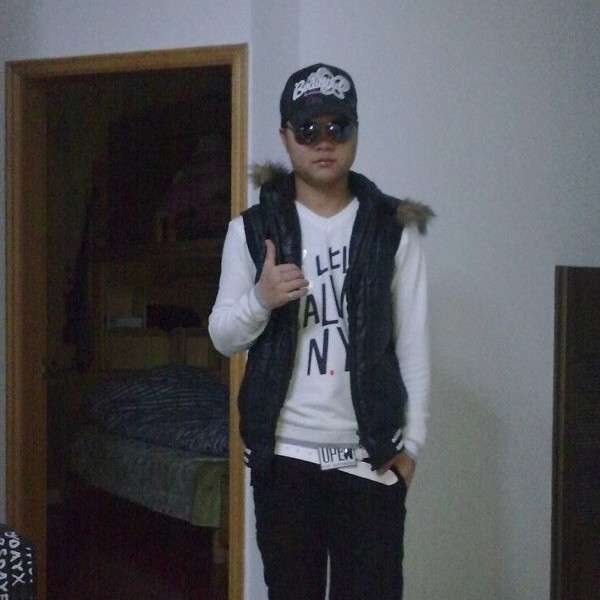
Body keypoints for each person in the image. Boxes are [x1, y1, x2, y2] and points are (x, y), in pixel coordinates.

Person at [209, 63, 433, 600]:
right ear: (286, 135)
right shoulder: (251, 230)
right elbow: (222, 337)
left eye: (339, 126)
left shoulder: (391, 229)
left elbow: (414, 347)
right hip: (284, 460)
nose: (324, 141)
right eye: (308, 129)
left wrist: (411, 451)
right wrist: (261, 300)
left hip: (371, 459)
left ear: (356, 131)